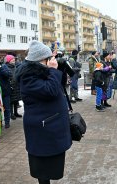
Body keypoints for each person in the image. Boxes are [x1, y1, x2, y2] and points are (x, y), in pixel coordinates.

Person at [15, 41, 72, 184]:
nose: (52, 60)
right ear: (41, 60)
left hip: (48, 126)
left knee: (49, 165)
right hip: (42, 128)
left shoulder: (40, 72)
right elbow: (50, 91)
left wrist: (60, 69)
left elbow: (59, 84)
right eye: (49, 58)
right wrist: (53, 70)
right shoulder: (28, 76)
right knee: (43, 168)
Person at [5, 55, 22, 120]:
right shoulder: (6, 67)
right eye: (12, 60)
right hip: (10, 86)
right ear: (9, 61)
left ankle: (16, 112)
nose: (14, 61)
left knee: (16, 100)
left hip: (16, 86)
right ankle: (11, 114)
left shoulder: (14, 67)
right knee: (11, 101)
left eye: (14, 60)